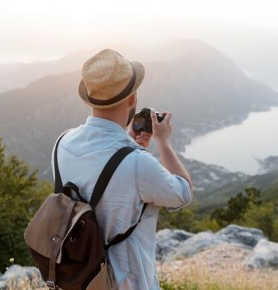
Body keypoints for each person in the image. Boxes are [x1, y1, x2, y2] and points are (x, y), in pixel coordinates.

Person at [52, 49, 193, 289]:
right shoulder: (137, 163)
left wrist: (127, 143)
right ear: (132, 99)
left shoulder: (62, 143)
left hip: (76, 277)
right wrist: (164, 142)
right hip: (126, 281)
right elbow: (183, 193)